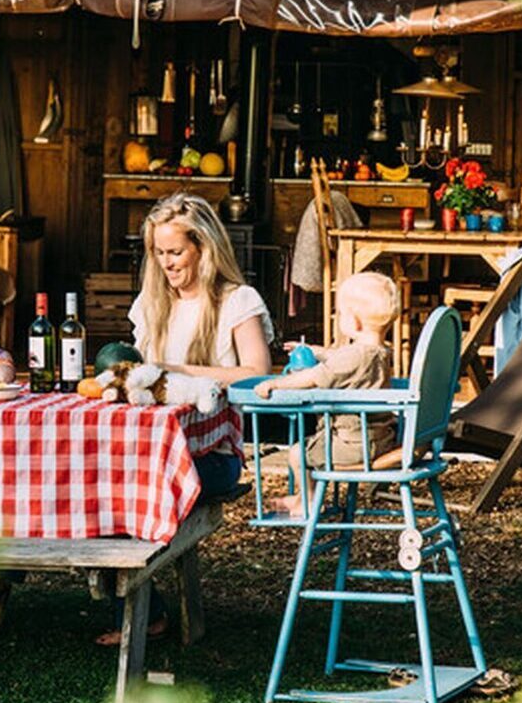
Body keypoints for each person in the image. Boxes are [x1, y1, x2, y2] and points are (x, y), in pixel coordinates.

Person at [104, 193, 273, 644]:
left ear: (204, 247)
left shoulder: (237, 301)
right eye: (158, 253)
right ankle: (140, 606)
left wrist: (181, 370)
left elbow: (258, 375)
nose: (166, 263)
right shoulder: (153, 304)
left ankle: (141, 615)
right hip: (153, 451)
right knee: (101, 477)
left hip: (214, 455)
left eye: (175, 251)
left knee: (126, 487)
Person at [255, 271, 397, 518]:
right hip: (381, 438)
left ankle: (308, 500)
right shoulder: (381, 353)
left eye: (341, 313)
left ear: (355, 322)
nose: (339, 317)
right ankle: (302, 497)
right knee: (313, 447)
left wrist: (278, 383)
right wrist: (317, 351)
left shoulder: (353, 356)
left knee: (298, 453)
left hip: (353, 445)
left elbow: (312, 378)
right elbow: (344, 360)